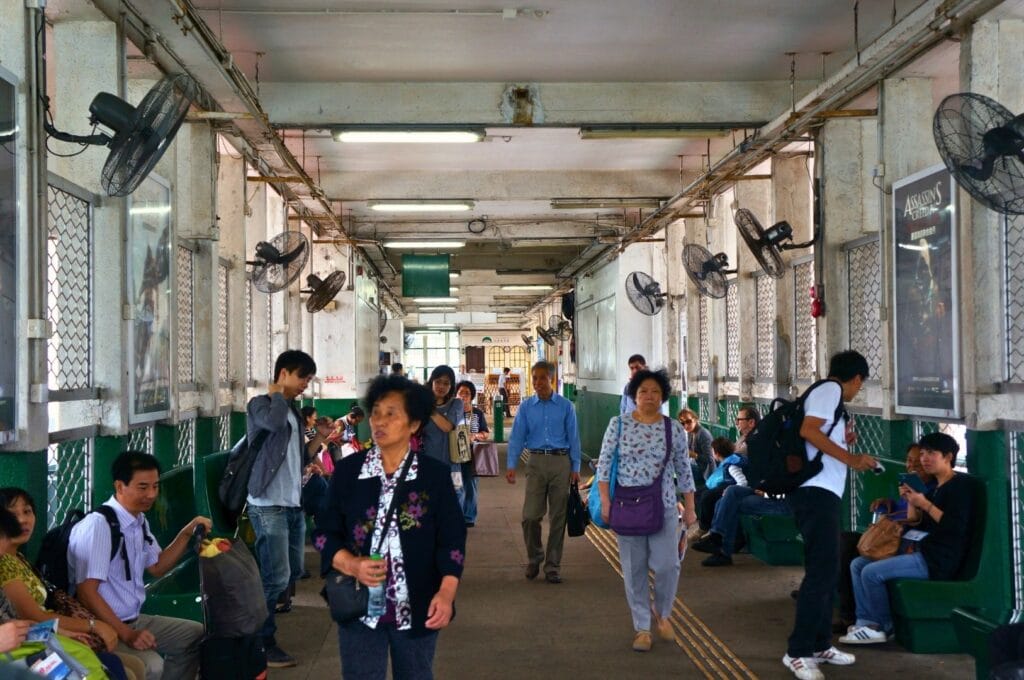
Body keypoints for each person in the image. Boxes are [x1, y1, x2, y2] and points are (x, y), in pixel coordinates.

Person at [319, 374, 466, 680]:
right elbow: (322, 533)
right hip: (358, 609)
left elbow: (452, 538)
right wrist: (350, 563)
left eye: (391, 414)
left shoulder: (433, 476)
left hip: (420, 606)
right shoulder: (348, 471)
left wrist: (447, 592)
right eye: (375, 412)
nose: (378, 421)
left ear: (414, 424)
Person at [67, 451, 210, 680]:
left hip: (134, 618)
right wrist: (127, 634)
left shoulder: (138, 520)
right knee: (152, 666)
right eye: (142, 487)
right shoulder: (99, 527)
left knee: (194, 634)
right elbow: (86, 593)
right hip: (104, 625)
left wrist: (187, 532)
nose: (151, 494)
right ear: (120, 486)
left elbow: (157, 567)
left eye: (155, 486)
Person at [782, 350, 877, 680]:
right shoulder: (831, 390)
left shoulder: (830, 397)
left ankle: (821, 644)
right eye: (859, 386)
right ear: (856, 379)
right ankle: (798, 652)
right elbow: (809, 431)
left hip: (821, 493)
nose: (856, 391)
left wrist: (842, 440)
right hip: (815, 492)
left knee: (826, 569)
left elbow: (818, 434)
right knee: (821, 573)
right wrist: (851, 459)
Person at [839, 432, 973, 646]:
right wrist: (911, 498)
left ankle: (882, 627)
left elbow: (954, 527)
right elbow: (914, 519)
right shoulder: (936, 486)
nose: (924, 459)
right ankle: (865, 622)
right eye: (923, 454)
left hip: (936, 559)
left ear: (948, 457)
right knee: (858, 563)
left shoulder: (960, 486)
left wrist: (925, 504)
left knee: (871, 573)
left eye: (931, 453)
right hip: (917, 550)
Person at [597, 368, 696, 652]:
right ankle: (642, 628)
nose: (649, 397)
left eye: (654, 392)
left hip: (664, 505)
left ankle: (661, 612)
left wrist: (689, 507)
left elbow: (683, 469)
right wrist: (605, 502)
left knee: (668, 565)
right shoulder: (618, 424)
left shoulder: (673, 428)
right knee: (633, 569)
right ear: (634, 396)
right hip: (627, 506)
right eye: (643, 392)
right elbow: (603, 465)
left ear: (663, 396)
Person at [247, 349, 333, 668]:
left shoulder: (292, 412)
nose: (305, 386)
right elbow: (270, 423)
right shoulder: (261, 405)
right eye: (302, 378)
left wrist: (320, 438)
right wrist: (278, 393)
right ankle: (260, 641)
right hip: (267, 504)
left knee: (288, 572)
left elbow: (301, 455)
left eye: (309, 380)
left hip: (290, 502)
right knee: (275, 577)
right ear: (283, 373)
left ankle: (259, 634)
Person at [834, 443, 935, 632]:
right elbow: (901, 512)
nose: (913, 466)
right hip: (888, 538)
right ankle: (862, 621)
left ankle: (880, 626)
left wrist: (913, 501)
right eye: (909, 461)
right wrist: (889, 504)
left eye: (919, 463)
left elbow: (915, 520)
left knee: (852, 552)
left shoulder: (930, 489)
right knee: (848, 551)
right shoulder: (907, 483)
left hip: (904, 545)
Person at [506, 361, 582, 584]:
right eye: (534, 378)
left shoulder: (566, 406)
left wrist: (576, 467)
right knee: (530, 516)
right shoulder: (527, 407)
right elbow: (517, 437)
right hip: (536, 462)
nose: (538, 383)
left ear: (552, 378)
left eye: (542, 378)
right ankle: (535, 556)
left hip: (561, 462)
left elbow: (574, 437)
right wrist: (511, 465)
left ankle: (553, 566)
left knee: (558, 517)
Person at [456, 380, 489, 527]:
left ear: (472, 396)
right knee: (457, 485)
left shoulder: (477, 413)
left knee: (471, 485)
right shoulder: (452, 412)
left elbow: (486, 433)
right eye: (461, 392)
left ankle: (469, 517)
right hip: (454, 453)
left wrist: (475, 436)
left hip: (473, 454)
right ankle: (456, 515)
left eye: (467, 393)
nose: (463, 396)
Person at [697, 437, 748, 531]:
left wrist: (730, 489)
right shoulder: (731, 459)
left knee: (706, 496)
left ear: (716, 453)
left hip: (729, 487)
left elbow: (743, 482)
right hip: (726, 484)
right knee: (699, 493)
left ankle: (704, 527)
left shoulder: (731, 465)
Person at [678, 409, 716, 490]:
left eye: (688, 421)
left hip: (705, 472)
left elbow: (710, 459)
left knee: (681, 468)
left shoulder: (703, 434)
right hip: (696, 466)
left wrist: (694, 455)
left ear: (695, 419)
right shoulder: (690, 432)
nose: (686, 426)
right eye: (682, 423)